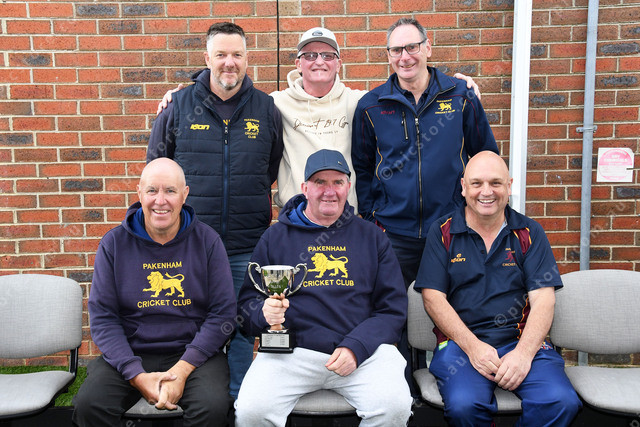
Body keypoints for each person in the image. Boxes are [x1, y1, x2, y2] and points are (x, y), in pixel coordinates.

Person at [156, 26, 480, 215]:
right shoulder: (273, 104)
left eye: (327, 55)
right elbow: (231, 99)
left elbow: (406, 93)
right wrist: (183, 95)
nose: (318, 61)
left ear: (339, 63)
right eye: (309, 55)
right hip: (296, 218)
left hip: (347, 218)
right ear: (298, 63)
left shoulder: (361, 103)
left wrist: (458, 85)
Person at [147, 22, 284, 400]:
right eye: (221, 54)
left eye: (237, 54)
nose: (229, 62)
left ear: (247, 58)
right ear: (207, 58)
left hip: (245, 243)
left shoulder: (266, 108)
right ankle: (194, 398)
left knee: (241, 326)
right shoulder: (178, 107)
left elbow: (269, 169)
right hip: (189, 244)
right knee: (190, 322)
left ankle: (238, 403)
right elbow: (157, 169)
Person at [234, 149, 412, 426]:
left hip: (363, 353)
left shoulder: (373, 237)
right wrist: (263, 314)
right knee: (251, 410)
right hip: (292, 353)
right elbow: (246, 307)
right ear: (305, 188)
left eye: (337, 182)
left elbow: (393, 310)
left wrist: (357, 347)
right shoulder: (275, 237)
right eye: (320, 182)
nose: (329, 191)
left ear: (348, 187)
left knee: (395, 407)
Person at [414, 151, 582, 426]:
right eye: (477, 183)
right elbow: (433, 298)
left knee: (560, 401)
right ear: (463, 186)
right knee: (464, 406)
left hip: (521, 341)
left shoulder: (530, 233)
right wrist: (473, 348)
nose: (486, 192)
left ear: (509, 185)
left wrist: (524, 354)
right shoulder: (442, 232)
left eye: (495, 183)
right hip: (461, 345)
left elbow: (544, 300)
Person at [72, 158, 237, 427]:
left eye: (170, 191)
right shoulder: (114, 244)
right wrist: (136, 375)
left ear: (184, 194)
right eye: (152, 190)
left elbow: (223, 314)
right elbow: (103, 318)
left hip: (193, 353)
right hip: (131, 350)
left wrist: (183, 370)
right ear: (139, 193)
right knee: (90, 405)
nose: (160, 201)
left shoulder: (208, 241)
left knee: (212, 407)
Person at [351, 17, 499, 288]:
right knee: (393, 307)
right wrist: (372, 218)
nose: (404, 57)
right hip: (393, 234)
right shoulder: (371, 106)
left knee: (457, 304)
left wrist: (472, 212)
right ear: (388, 55)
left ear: (428, 48)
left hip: (452, 229)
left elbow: (486, 158)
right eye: (396, 50)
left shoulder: (461, 96)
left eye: (412, 47)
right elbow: (362, 166)